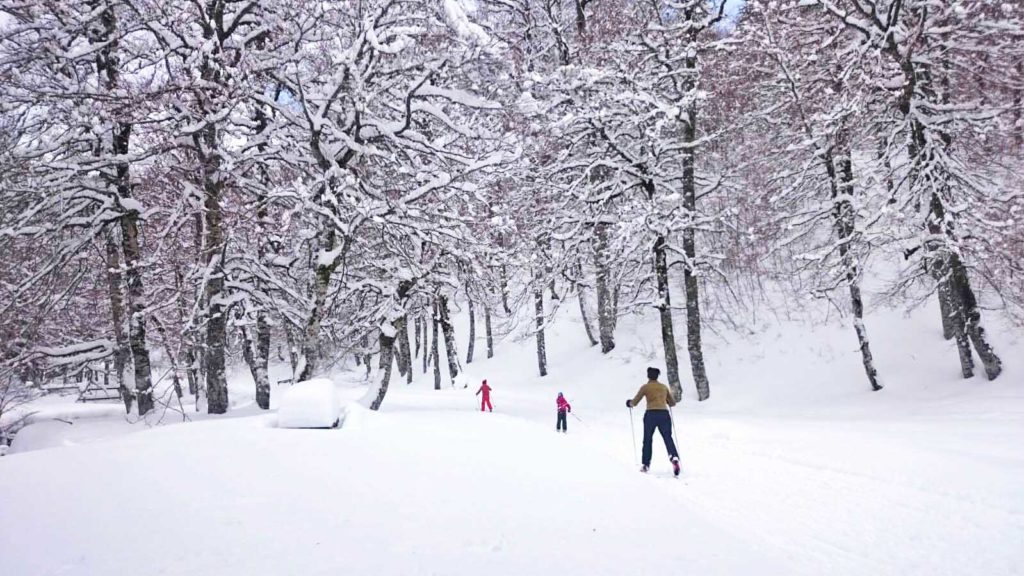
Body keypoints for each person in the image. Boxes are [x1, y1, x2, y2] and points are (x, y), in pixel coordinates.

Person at [626, 367, 680, 475]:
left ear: (648, 375)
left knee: (647, 439)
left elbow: (635, 402)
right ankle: (674, 457)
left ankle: (646, 464)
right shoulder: (663, 387)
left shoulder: (645, 387)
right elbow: (672, 403)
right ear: (657, 376)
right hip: (664, 414)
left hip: (651, 414)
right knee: (667, 437)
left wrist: (629, 403)